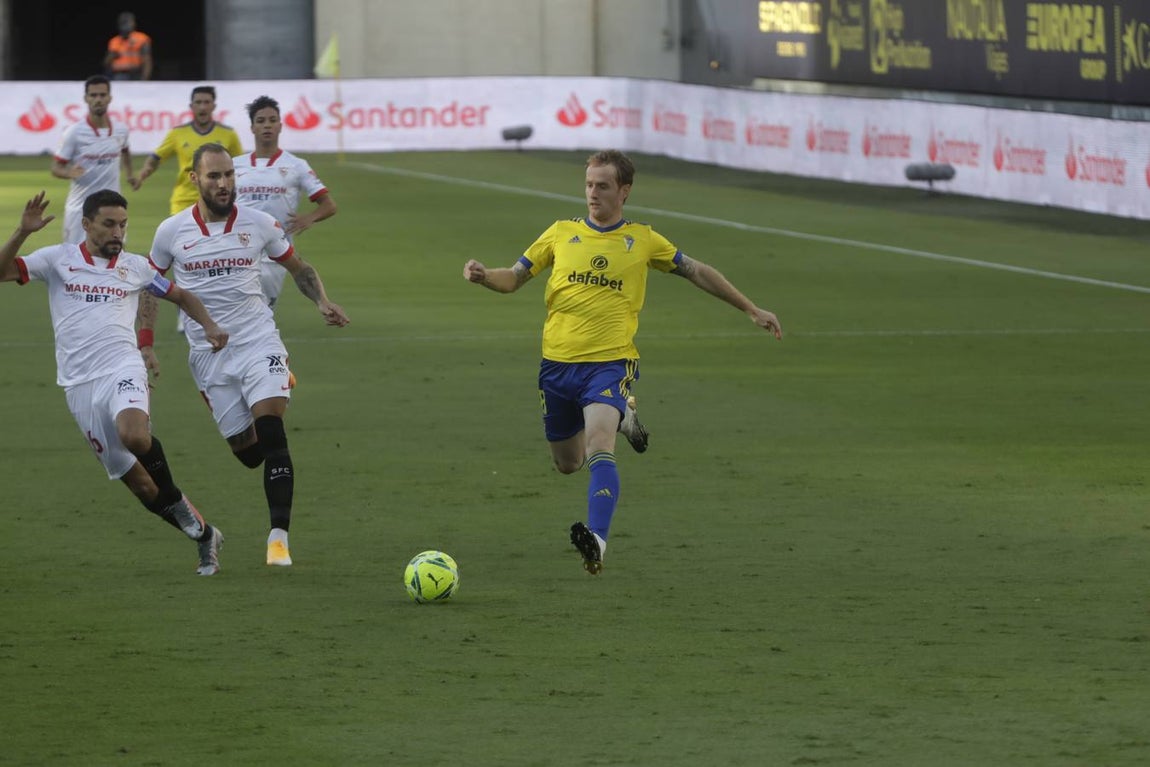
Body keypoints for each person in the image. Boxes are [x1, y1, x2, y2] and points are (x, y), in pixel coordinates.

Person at [462, 149, 782, 575]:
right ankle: (625, 418)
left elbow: (698, 271)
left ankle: (596, 542)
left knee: (598, 446)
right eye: (589, 185)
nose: (593, 193)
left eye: (603, 186)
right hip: (556, 367)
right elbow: (514, 278)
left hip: (609, 364)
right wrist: (485, 276)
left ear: (624, 191)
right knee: (568, 463)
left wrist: (750, 308)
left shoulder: (644, 240)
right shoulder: (560, 233)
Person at [0, 189, 228, 575]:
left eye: (122, 224)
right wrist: (21, 233)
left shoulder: (136, 268)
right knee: (141, 487)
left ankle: (175, 498)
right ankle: (205, 537)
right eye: (108, 224)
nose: (117, 232)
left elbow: (181, 295)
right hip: (78, 384)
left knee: (135, 436)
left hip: (123, 366)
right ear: (86, 224)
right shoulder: (59, 260)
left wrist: (210, 326)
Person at [143, 142, 350, 568]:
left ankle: (278, 541)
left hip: (258, 341)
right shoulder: (171, 232)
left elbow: (300, 269)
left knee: (272, 431)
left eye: (228, 175)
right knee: (248, 454)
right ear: (194, 179)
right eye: (214, 176)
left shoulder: (260, 224)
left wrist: (322, 302)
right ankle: (271, 391)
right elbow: (151, 287)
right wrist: (145, 344)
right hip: (208, 356)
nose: (223, 184)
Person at [135, 85, 243, 332]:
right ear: (191, 106)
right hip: (183, 202)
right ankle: (186, 313)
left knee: (214, 256)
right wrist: (143, 174)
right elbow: (157, 156)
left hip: (217, 204)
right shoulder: (178, 133)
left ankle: (218, 306)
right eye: (199, 102)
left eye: (207, 102)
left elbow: (240, 166)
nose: (203, 107)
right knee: (182, 258)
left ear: (214, 106)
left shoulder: (228, 135)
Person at [234, 95, 338, 310]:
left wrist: (309, 218)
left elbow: (329, 205)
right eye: (261, 121)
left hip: (275, 257)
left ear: (281, 125)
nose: (267, 126)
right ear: (252, 127)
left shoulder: (296, 165)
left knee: (261, 315)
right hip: (237, 252)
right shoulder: (235, 165)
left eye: (272, 120)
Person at [51, 75, 137, 244]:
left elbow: (125, 151)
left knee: (115, 254)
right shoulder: (74, 132)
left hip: (113, 207)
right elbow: (56, 168)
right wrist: (69, 172)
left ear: (110, 98)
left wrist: (130, 174)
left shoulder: (121, 130)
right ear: (86, 98)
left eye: (102, 95)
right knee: (74, 256)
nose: (98, 100)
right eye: (93, 95)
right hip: (80, 208)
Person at [104, 12, 152, 81]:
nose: (125, 25)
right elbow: (106, 62)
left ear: (134, 23)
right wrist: (112, 55)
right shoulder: (115, 41)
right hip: (119, 75)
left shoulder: (142, 38)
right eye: (123, 22)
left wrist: (144, 78)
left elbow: (147, 60)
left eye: (128, 22)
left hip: (136, 74)